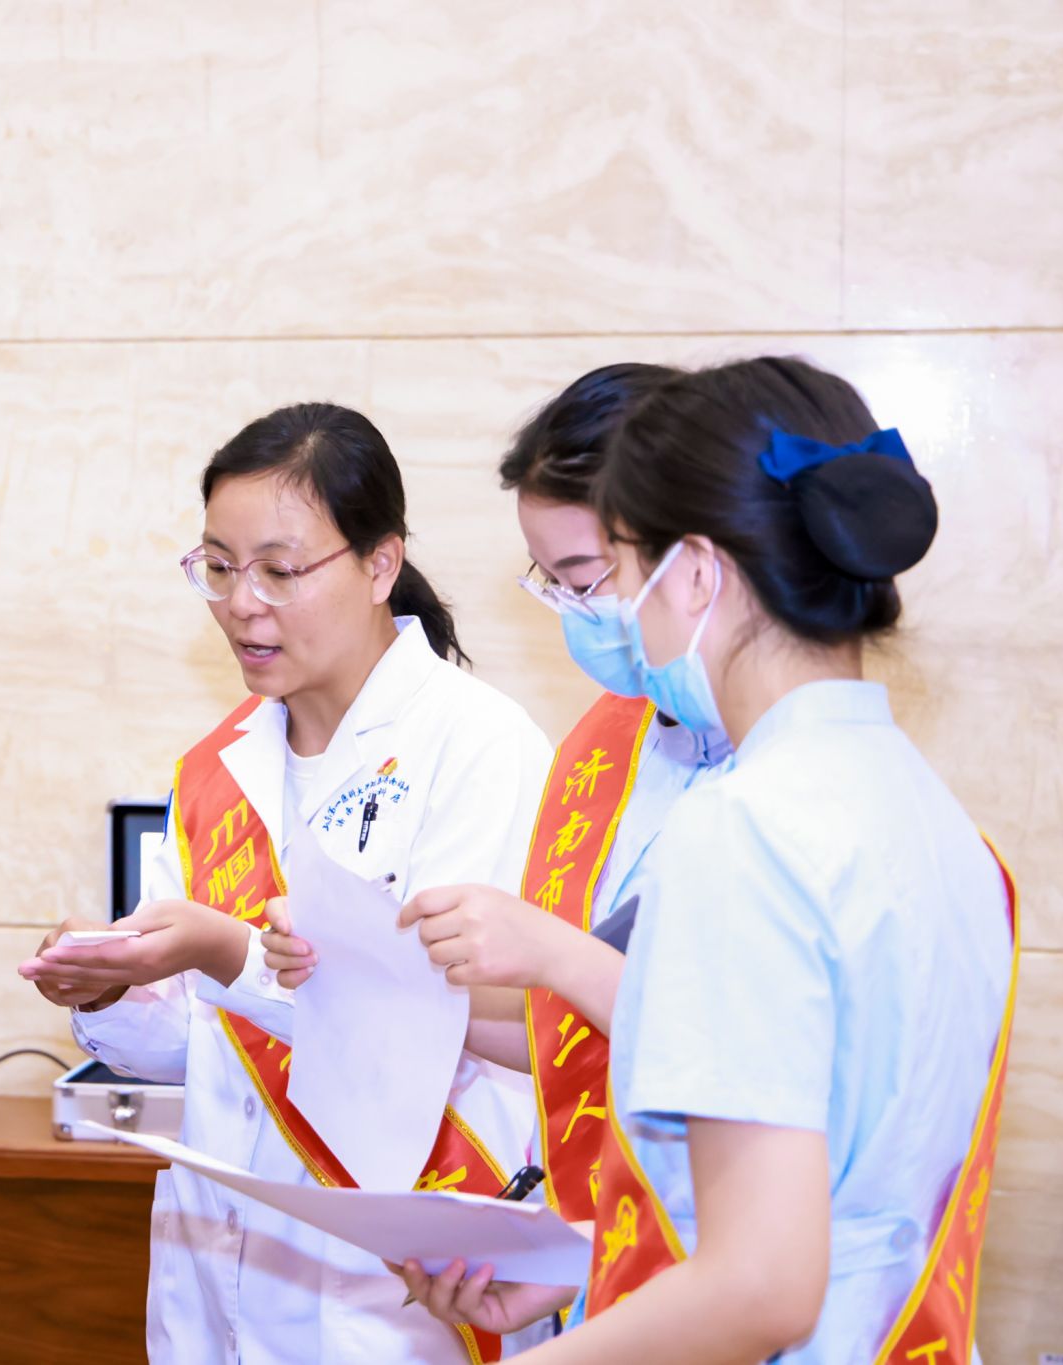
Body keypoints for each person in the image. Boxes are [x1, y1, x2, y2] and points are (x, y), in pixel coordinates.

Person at [401, 358, 1016, 1363]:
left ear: (691, 572)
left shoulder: (743, 827)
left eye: (620, 571)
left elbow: (761, 1287)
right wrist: (584, 1261)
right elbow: (834, 1191)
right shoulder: (941, 827)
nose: (618, 614)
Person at [19, 403, 553, 1364]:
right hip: (214, 1277)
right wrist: (111, 982)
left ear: (380, 564)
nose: (241, 602)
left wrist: (225, 950)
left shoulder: (477, 745)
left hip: (393, 1287)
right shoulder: (216, 765)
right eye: (219, 567)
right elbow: (203, 1046)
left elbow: (446, 1024)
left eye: (279, 569)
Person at [265, 367, 730, 1332]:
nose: (578, 615)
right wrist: (357, 967)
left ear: (700, 558)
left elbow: (739, 1055)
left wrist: (552, 952)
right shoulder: (611, 750)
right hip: (625, 1262)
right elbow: (571, 1038)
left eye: (586, 580)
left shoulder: (797, 795)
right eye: (553, 585)